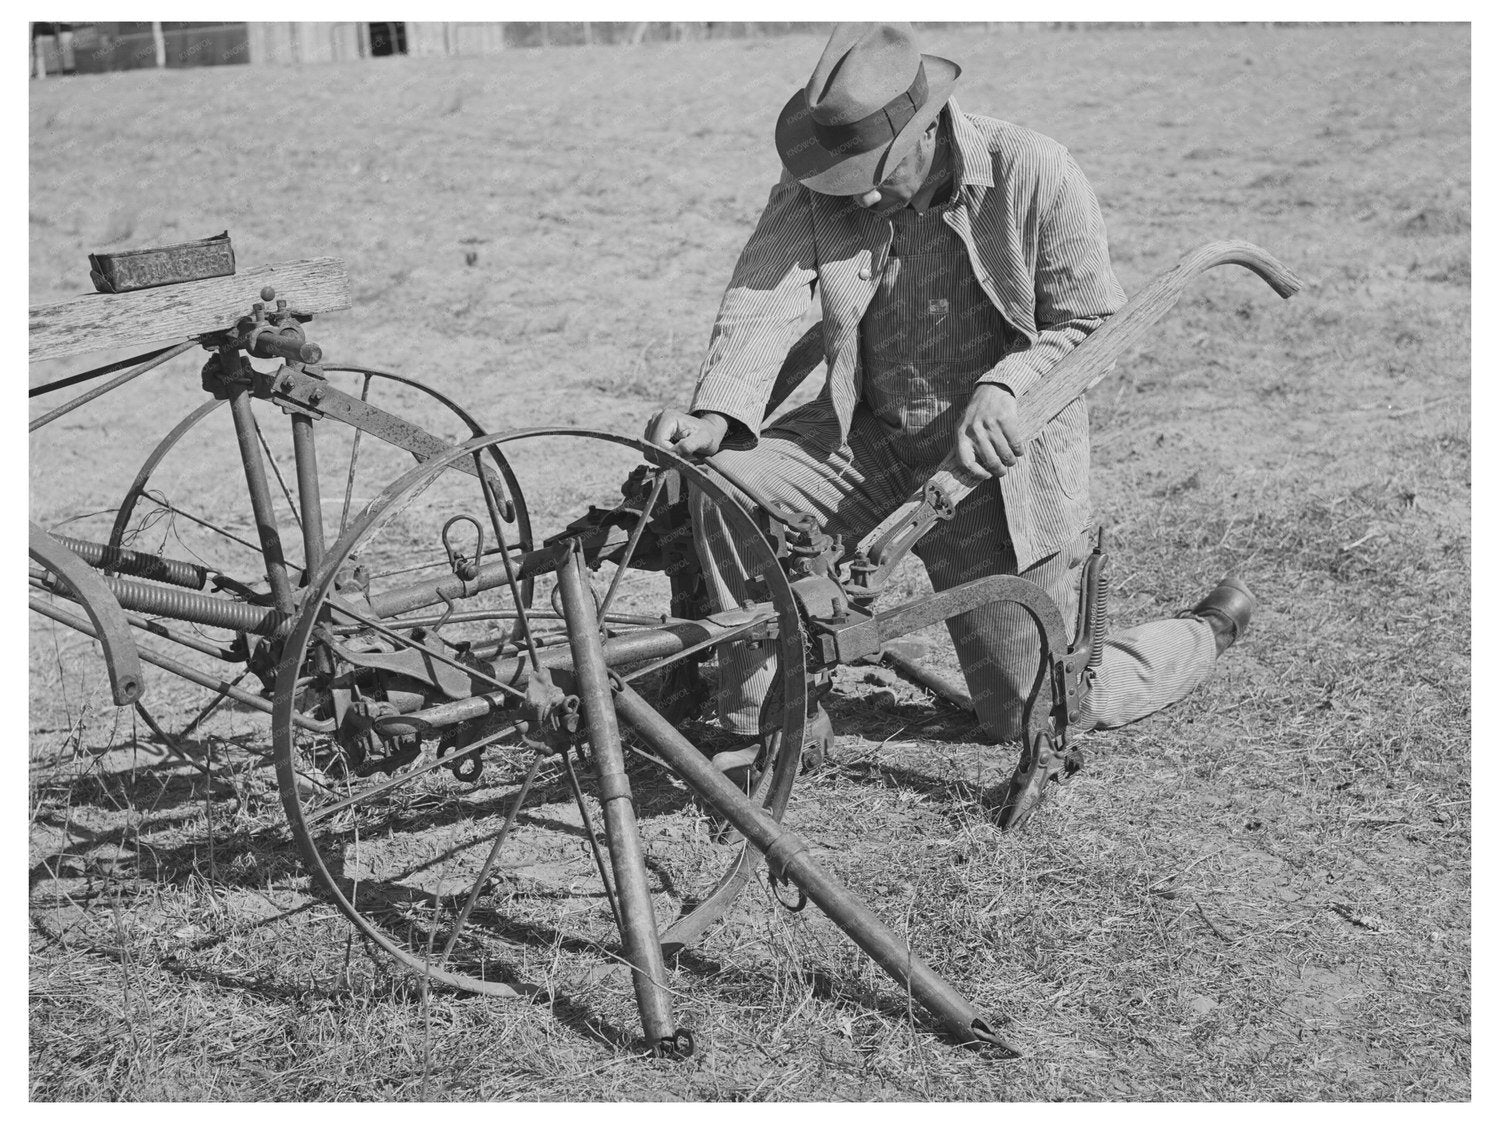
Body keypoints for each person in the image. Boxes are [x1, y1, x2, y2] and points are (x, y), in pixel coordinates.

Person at [645, 23, 1253, 795]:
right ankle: (769, 715)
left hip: (990, 474)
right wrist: (717, 419)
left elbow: (1094, 325)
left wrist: (1006, 385)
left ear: (928, 123)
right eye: (844, 177)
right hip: (866, 437)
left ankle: (1203, 631)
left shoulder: (1033, 170)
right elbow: (761, 297)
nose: (858, 196)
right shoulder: (821, 184)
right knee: (727, 479)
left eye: (876, 172)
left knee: (1028, 710)